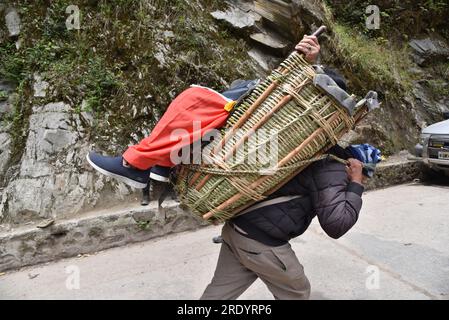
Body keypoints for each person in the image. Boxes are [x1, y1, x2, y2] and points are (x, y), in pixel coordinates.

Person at [199, 36, 381, 300]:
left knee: (218, 295)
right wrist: (356, 182)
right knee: (298, 292)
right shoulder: (326, 162)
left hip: (237, 229)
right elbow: (336, 224)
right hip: (262, 242)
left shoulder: (287, 135)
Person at [86, 34, 346, 188]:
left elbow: (292, 82)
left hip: (250, 116)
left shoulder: (304, 103)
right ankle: (161, 165)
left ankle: (134, 164)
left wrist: (307, 63)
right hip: (250, 105)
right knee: (194, 100)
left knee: (192, 100)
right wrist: (305, 60)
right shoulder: (298, 98)